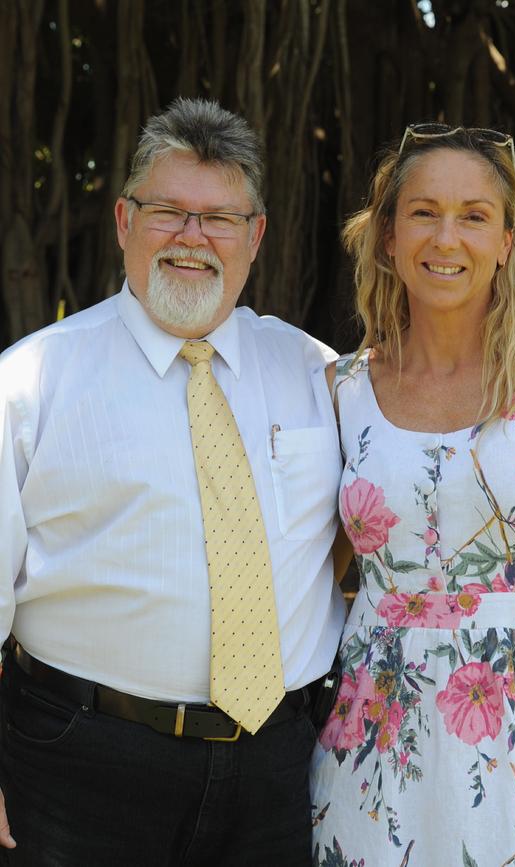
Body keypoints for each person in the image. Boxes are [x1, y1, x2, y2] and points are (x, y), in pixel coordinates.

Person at [0, 97, 347, 867]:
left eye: (219, 218)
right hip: (80, 765)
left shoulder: (318, 373)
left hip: (280, 766)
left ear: (255, 237)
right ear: (125, 221)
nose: (193, 238)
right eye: (169, 212)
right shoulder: (32, 380)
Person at [310, 124, 515, 866]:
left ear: (507, 241)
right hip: (366, 758)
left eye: (473, 215)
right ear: (388, 238)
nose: (445, 237)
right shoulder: (341, 392)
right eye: (423, 212)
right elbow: (308, 579)